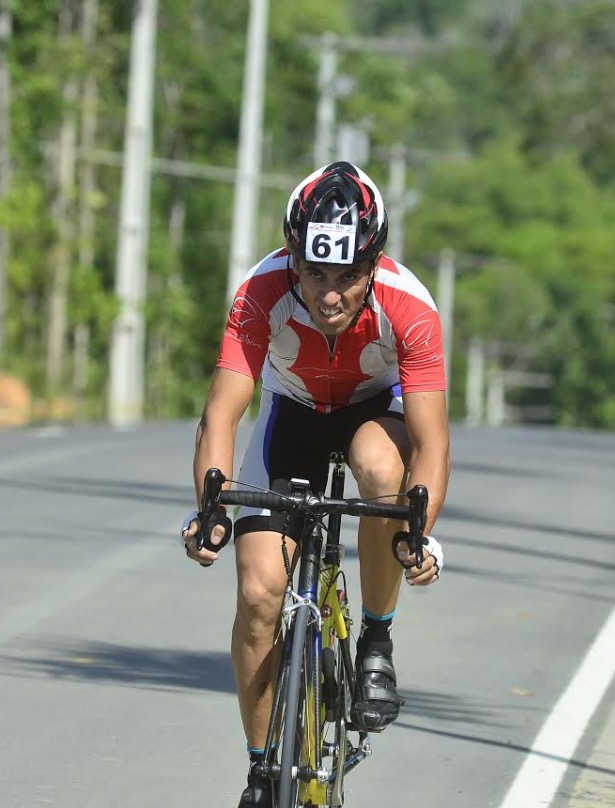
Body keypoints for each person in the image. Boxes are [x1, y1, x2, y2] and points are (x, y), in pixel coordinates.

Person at [180, 161, 451, 808]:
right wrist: (211, 509)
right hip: (292, 416)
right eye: (314, 273)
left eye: (348, 277)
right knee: (258, 595)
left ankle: (376, 642)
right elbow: (222, 413)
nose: (329, 295)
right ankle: (258, 769)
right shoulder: (260, 290)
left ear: (374, 266)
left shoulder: (410, 307)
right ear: (292, 260)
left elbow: (432, 443)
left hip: (372, 415)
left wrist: (419, 533)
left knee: (384, 471)